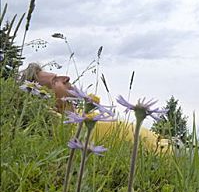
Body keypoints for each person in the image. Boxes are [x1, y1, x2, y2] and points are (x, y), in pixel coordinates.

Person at [20, 63, 171, 153]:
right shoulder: (58, 125)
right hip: (165, 155)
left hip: (167, 144)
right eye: (55, 81)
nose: (66, 78)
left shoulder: (83, 113)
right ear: (43, 96)